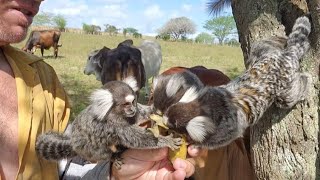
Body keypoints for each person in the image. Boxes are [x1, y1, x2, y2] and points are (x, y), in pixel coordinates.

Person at [0, 1, 196, 179]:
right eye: (126, 104)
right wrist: (163, 142)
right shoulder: (112, 116)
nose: (37, 2)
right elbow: (133, 137)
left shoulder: (43, 77)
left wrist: (111, 175)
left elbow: (65, 169)